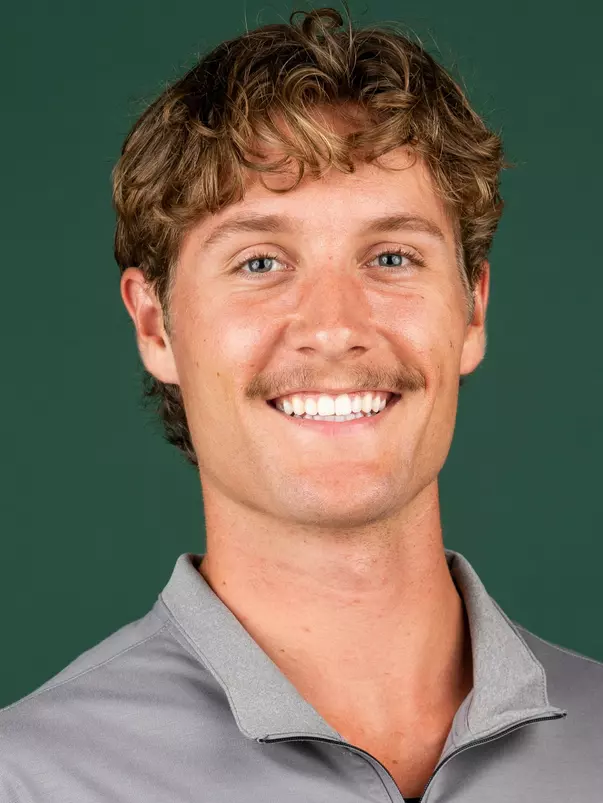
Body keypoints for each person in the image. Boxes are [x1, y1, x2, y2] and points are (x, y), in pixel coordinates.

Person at [2, 6, 602, 802]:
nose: (334, 328)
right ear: (155, 325)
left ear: (472, 310)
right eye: (260, 262)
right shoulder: (30, 779)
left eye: (392, 256)